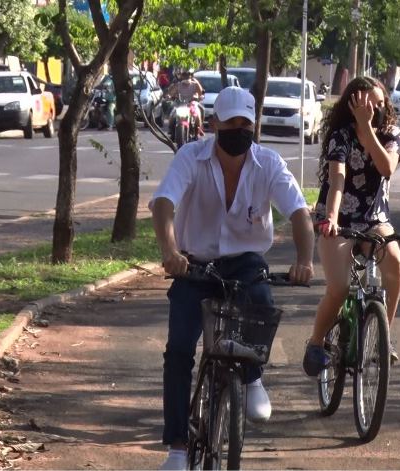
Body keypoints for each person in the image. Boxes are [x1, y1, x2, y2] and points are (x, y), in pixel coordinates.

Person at [151, 86, 315, 470]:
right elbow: (164, 203)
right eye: (230, 123)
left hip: (244, 262)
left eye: (245, 123)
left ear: (253, 125)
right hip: (196, 265)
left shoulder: (269, 163)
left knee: (262, 301)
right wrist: (170, 253)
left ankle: (254, 378)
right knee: (178, 352)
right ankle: (176, 448)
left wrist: (305, 260)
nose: (238, 130)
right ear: (214, 124)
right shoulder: (190, 157)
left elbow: (299, 213)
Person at [302, 76, 400, 375]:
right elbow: (337, 181)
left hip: (375, 219)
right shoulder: (341, 136)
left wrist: (368, 129)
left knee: (395, 262)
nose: (373, 110)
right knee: (340, 287)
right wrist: (331, 219)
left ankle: (382, 338)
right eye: (365, 105)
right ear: (352, 105)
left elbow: (386, 168)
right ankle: (317, 342)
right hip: (339, 219)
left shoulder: (390, 134)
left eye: (379, 104)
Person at [166, 69, 205, 136]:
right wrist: (169, 96)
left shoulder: (195, 84)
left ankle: (198, 129)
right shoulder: (178, 85)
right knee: (172, 112)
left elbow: (201, 92)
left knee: (199, 111)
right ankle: (171, 128)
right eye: (184, 75)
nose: (186, 77)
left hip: (192, 103)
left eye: (188, 75)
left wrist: (200, 96)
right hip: (180, 104)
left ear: (191, 75)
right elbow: (171, 93)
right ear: (181, 76)